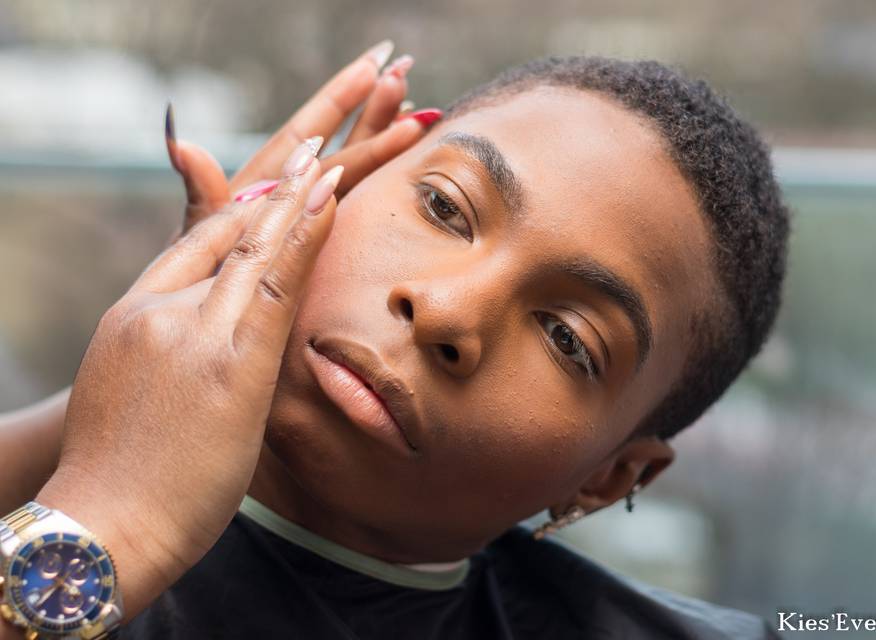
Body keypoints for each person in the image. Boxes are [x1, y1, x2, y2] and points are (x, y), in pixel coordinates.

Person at [0, 45, 788, 639]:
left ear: (610, 478)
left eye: (567, 338)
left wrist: (107, 529)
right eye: (445, 209)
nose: (446, 311)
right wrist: (153, 359)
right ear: (336, 187)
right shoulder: (93, 479)